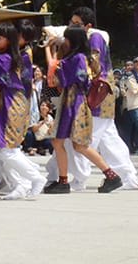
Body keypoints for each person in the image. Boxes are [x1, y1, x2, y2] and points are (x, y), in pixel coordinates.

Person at [43, 26, 123, 194]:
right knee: (60, 142)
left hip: (76, 104)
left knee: (78, 145)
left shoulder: (79, 58)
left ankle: (111, 176)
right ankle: (64, 180)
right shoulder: (73, 57)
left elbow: (76, 80)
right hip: (69, 102)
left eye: (66, 38)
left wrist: (61, 69)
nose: (64, 41)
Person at [0, 22, 46, 200]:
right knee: (2, 149)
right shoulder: (6, 55)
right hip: (4, 105)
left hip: (10, 106)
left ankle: (34, 178)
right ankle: (21, 182)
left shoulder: (7, 58)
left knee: (6, 149)